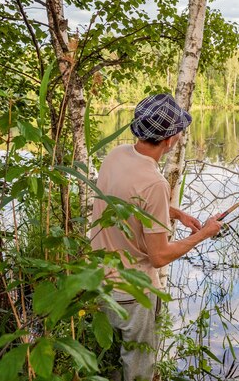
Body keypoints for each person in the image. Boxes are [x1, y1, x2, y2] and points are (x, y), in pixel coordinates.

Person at [90, 93, 222, 381]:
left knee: (109, 360)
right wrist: (205, 233)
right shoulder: (155, 183)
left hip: (97, 279)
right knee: (138, 368)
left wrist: (174, 213)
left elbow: (127, 199)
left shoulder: (117, 155)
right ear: (170, 138)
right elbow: (159, 256)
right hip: (131, 292)